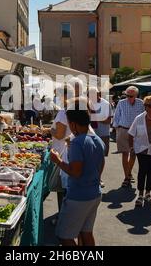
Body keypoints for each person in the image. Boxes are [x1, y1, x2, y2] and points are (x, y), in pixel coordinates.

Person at [49, 98, 105, 246]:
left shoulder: (77, 142)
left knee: (64, 235)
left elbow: (75, 172)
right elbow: (101, 165)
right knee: (86, 233)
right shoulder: (97, 139)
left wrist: (58, 161)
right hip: (94, 192)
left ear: (72, 123)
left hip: (79, 196)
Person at [50, 85, 74, 225]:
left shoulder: (63, 113)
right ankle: (65, 215)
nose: (56, 98)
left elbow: (59, 135)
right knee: (67, 187)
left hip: (61, 151)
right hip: (68, 150)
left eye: (57, 95)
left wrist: (49, 130)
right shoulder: (72, 110)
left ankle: (63, 217)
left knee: (62, 187)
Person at [112, 86, 145, 188]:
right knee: (125, 154)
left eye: (131, 96)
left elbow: (144, 116)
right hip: (123, 129)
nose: (129, 97)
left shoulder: (141, 103)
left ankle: (128, 173)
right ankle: (127, 177)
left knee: (133, 154)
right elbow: (116, 115)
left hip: (136, 132)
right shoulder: (121, 103)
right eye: (127, 95)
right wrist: (116, 128)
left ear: (136, 95)